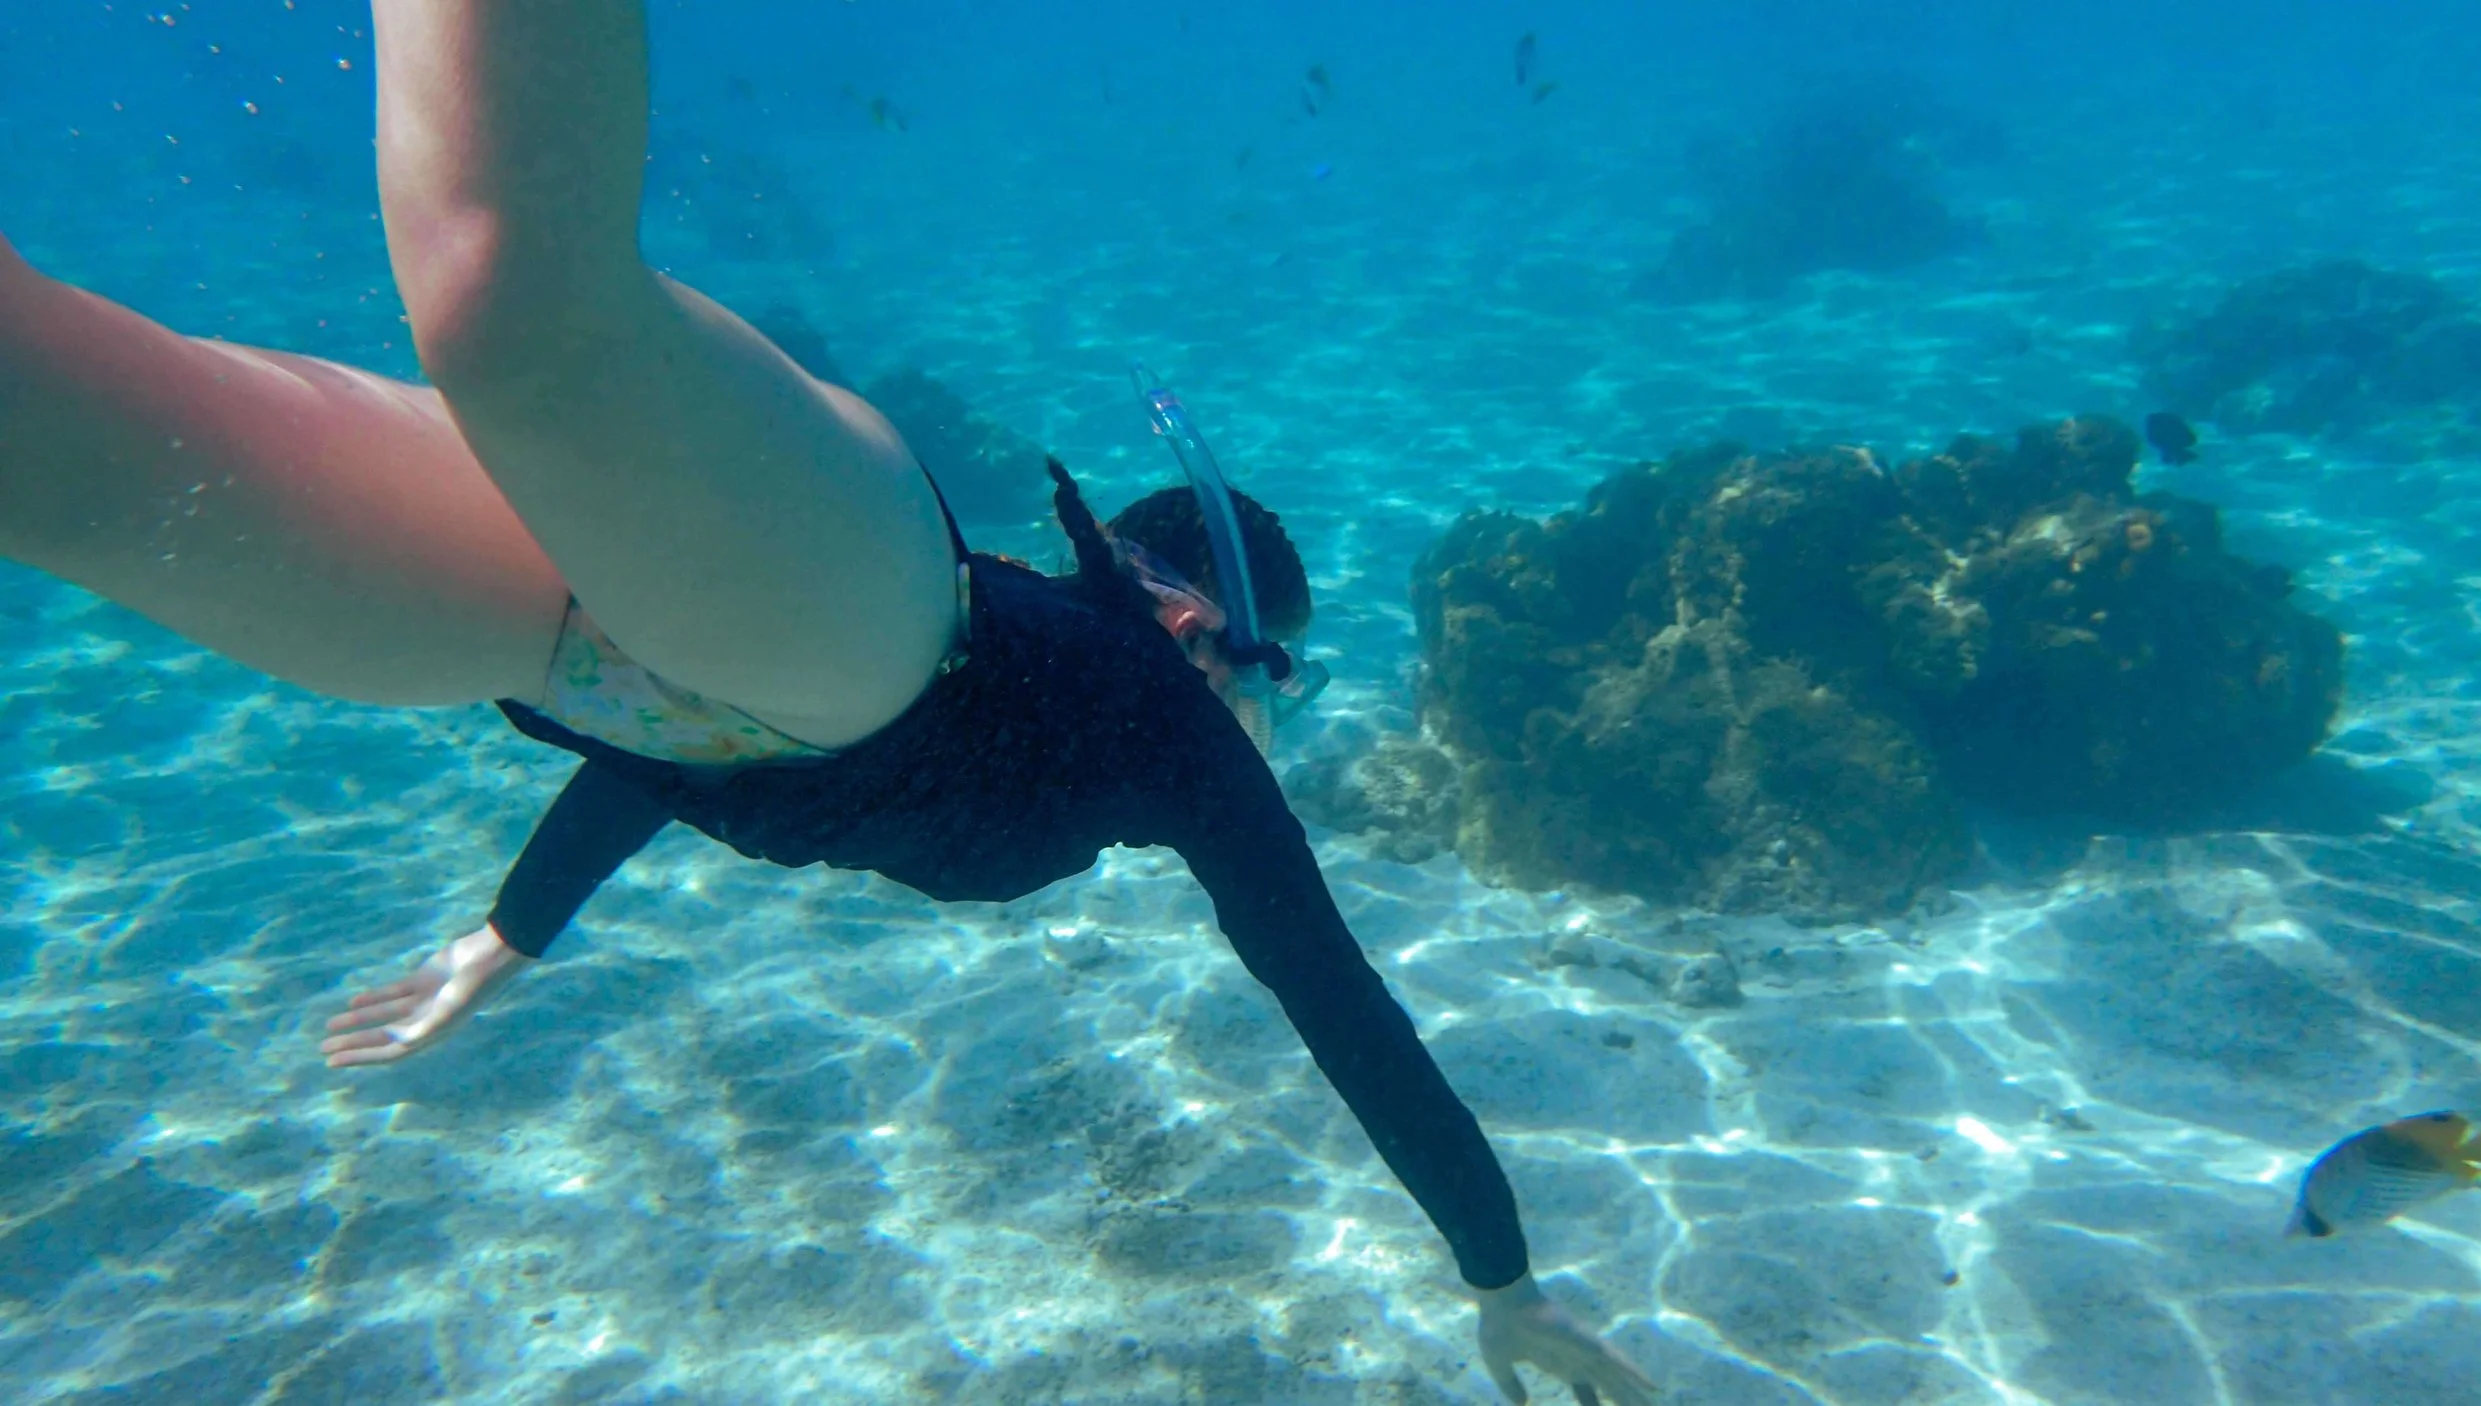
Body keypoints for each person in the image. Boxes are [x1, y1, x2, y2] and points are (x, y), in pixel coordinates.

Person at [0, 5, 1655, 1403]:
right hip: (869, 619)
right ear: (1202, 625)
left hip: (616, 680)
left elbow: (678, 759)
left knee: (58, 455)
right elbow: (1341, 1002)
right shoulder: (1163, 723)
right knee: (505, 301)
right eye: (1263, 660)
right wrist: (1499, 1276)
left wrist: (503, 939)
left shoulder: (1164, 721)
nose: (1252, 695)